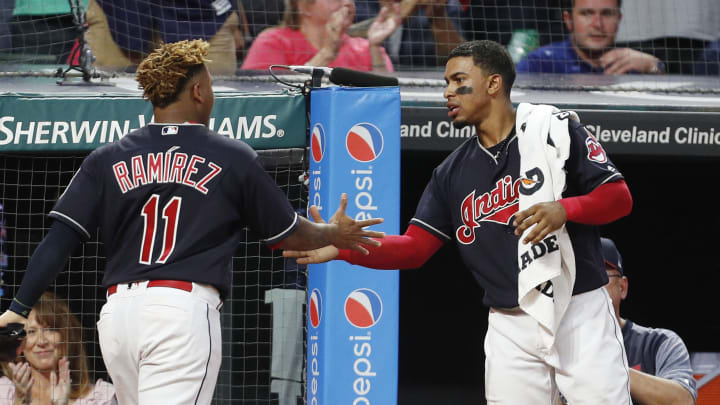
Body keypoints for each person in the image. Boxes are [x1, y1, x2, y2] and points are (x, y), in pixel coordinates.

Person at [0, 39, 385, 405]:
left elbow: (59, 240)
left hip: (118, 317)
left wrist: (19, 306)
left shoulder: (106, 157)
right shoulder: (231, 154)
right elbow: (289, 235)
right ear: (198, 92)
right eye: (211, 86)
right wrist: (334, 233)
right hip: (180, 311)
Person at [285, 40, 635, 403]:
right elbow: (414, 249)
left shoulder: (554, 130)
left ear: (493, 84)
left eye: (458, 80)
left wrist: (566, 209)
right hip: (510, 323)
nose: (447, 92)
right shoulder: (451, 173)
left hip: (577, 309)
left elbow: (619, 198)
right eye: (446, 83)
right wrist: (345, 246)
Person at [601, 237, 697, 405]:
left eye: (601, 276)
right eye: (584, 279)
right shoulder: (557, 346)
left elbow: (682, 401)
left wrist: (611, 370)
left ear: (622, 287)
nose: (592, 287)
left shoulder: (658, 343)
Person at [0, 292, 116, 405]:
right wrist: (21, 402)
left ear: (66, 336)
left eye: (50, 329)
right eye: (31, 331)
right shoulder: (3, 392)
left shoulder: (101, 397)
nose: (42, 341)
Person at [85, 0, 243, 75]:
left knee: (217, 110)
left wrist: (239, 23)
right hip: (119, 14)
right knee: (110, 109)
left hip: (202, 18)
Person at [240, 0, 400, 72]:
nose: (348, 3)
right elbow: (275, 97)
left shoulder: (364, 47)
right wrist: (327, 53)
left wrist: (375, 47)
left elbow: (387, 97)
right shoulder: (272, 42)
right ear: (303, 6)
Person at [516, 0, 664, 74]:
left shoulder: (633, 64)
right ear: (568, 20)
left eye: (606, 14)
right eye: (587, 13)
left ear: (618, 19)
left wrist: (654, 66)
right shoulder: (539, 63)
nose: (597, 24)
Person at [351, 0, 466, 68]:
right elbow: (341, 39)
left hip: (424, 85)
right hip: (366, 81)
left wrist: (439, 17)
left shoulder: (445, 4)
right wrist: (399, 13)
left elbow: (459, 60)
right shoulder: (356, 5)